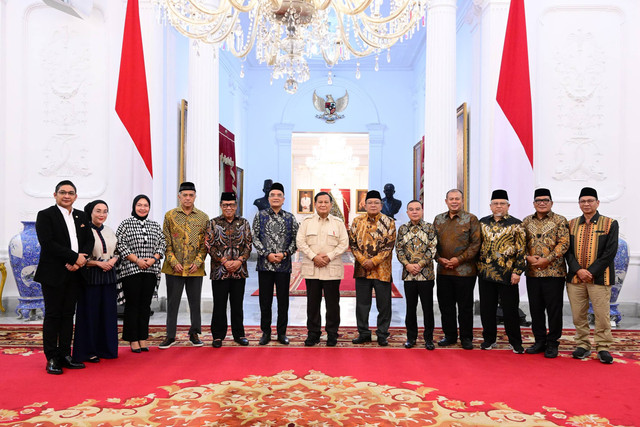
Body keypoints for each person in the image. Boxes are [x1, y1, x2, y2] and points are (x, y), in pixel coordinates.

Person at [35, 180, 95, 375]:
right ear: (55, 195)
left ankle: (65, 354)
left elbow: (89, 240)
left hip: (76, 273)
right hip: (53, 273)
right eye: (62, 192)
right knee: (53, 315)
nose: (66, 196)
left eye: (70, 193)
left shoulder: (81, 215)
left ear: (75, 197)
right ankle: (52, 357)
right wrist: (73, 258)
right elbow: (48, 243)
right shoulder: (45, 215)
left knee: (69, 315)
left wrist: (81, 260)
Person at [566, 187, 618, 364]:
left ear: (597, 203)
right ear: (579, 204)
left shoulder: (610, 223)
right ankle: (582, 344)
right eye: (583, 201)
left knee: (601, 314)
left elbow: (610, 252)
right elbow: (567, 252)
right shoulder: (571, 224)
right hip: (575, 278)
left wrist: (591, 272)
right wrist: (578, 270)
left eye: (590, 201)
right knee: (577, 314)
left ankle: (603, 347)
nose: (586, 204)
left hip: (600, 278)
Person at [159, 182, 209, 349]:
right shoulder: (170, 216)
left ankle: (194, 333)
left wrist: (198, 262)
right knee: (173, 302)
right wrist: (173, 261)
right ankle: (170, 335)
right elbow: (165, 241)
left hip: (195, 268)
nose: (188, 198)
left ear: (195, 196)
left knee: (195, 302)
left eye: (191, 195)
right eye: (185, 195)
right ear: (179, 196)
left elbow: (205, 244)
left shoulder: (203, 217)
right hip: (174, 267)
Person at [296, 192, 349, 347]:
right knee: (312, 304)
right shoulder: (307, 222)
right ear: (315, 204)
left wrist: (328, 256)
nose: (323, 204)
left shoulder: (338, 223)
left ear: (331, 205)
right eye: (320, 202)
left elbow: (344, 243)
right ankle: (313, 333)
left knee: (333, 304)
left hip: (331, 268)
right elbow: (300, 241)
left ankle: (332, 334)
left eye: (326, 202)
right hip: (312, 268)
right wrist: (314, 257)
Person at [522, 188, 569, 358]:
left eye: (546, 200)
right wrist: (528, 257)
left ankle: (553, 343)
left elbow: (563, 244)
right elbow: (520, 243)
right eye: (538, 200)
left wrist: (547, 259)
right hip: (533, 273)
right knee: (536, 309)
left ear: (551, 203)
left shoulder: (560, 220)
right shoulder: (526, 221)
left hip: (554, 272)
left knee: (554, 309)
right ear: (534, 203)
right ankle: (540, 340)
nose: (542, 203)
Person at [477, 189, 526, 353]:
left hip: (508, 274)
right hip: (486, 272)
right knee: (487, 308)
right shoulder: (482, 223)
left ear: (508, 205)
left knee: (510, 309)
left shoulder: (516, 224)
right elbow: (477, 246)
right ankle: (489, 339)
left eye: (502, 203)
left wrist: (517, 272)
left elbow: (521, 250)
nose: (499, 206)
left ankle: (515, 341)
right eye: (496, 203)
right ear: (490, 206)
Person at [116, 195, 166, 353]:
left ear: (149, 208)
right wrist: (137, 260)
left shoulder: (155, 225)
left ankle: (143, 337)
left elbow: (162, 243)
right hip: (131, 270)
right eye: (139, 205)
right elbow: (121, 245)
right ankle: (132, 339)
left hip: (150, 270)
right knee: (133, 305)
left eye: (145, 205)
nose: (142, 208)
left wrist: (153, 259)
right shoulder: (125, 224)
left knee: (145, 305)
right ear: (134, 206)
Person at [433, 189, 480, 350]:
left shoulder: (471, 219)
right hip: (443, 270)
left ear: (462, 200)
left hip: (465, 272)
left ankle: (466, 338)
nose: (454, 201)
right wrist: (439, 258)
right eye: (451, 199)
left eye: (457, 199)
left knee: (465, 307)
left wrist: (457, 260)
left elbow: (476, 245)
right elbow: (432, 244)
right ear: (446, 201)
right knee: (446, 306)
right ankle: (450, 336)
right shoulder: (438, 219)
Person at [252, 182, 299, 345]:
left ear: (284, 199)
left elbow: (296, 240)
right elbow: (255, 238)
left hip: (283, 266)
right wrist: (267, 254)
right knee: (265, 301)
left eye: (279, 195)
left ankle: (281, 333)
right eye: (273, 195)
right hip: (265, 265)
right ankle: (265, 332)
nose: (276, 198)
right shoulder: (260, 215)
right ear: (269, 198)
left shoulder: (290, 217)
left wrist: (285, 253)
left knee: (283, 301)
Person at [72, 200, 119, 363]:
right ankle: (88, 351)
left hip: (109, 277)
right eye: (98, 211)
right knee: (90, 315)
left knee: (108, 314)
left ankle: (106, 349)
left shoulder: (110, 231)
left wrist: (112, 261)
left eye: (105, 211)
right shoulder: (83, 231)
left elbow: (117, 251)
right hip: (90, 277)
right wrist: (98, 263)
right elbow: (79, 256)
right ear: (90, 213)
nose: (102, 214)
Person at [349, 190, 396, 346]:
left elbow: (389, 245)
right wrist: (363, 260)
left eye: (376, 203)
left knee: (384, 304)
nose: (373, 205)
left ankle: (382, 333)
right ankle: (363, 333)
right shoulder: (357, 221)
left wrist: (373, 261)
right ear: (365, 205)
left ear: (381, 205)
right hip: (362, 269)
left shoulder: (389, 222)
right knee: (362, 304)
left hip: (382, 269)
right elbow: (353, 244)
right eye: (370, 203)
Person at [206, 192, 253, 348]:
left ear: (236, 206)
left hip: (239, 271)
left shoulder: (244, 223)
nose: (228, 208)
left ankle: (239, 334)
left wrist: (239, 261)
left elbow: (248, 245)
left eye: (232, 204)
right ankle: (218, 336)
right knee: (219, 305)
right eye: (225, 205)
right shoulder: (213, 223)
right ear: (221, 206)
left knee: (237, 304)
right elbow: (209, 246)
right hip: (220, 271)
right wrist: (224, 261)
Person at [396, 200, 438, 349]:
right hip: (409, 275)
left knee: (427, 308)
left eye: (417, 209)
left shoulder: (429, 228)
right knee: (410, 307)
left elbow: (432, 249)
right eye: (411, 209)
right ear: (407, 212)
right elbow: (399, 249)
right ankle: (411, 338)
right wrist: (407, 265)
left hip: (426, 275)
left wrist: (419, 265)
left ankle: (428, 339)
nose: (414, 212)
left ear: (422, 211)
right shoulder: (402, 229)